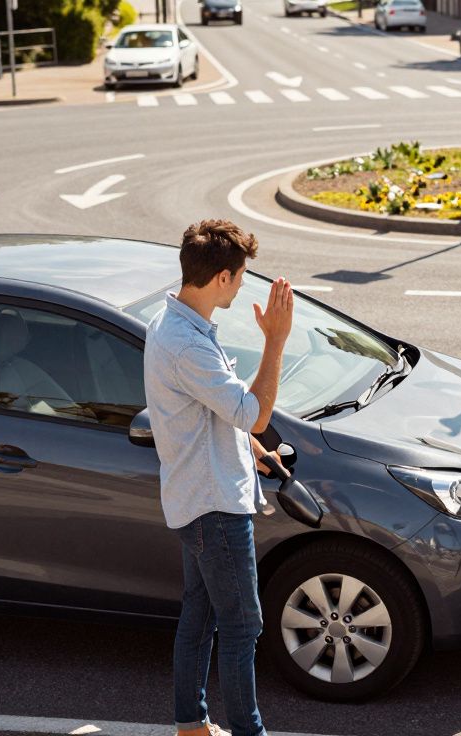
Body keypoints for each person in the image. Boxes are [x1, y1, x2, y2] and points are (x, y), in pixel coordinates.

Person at [144, 219, 294, 736]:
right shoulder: (189, 346)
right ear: (223, 278)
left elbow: (210, 412)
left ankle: (191, 725)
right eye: (241, 276)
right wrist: (275, 342)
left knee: (201, 615)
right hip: (215, 508)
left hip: (193, 498)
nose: (242, 284)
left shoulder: (169, 323)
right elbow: (253, 412)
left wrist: (250, 448)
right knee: (242, 626)